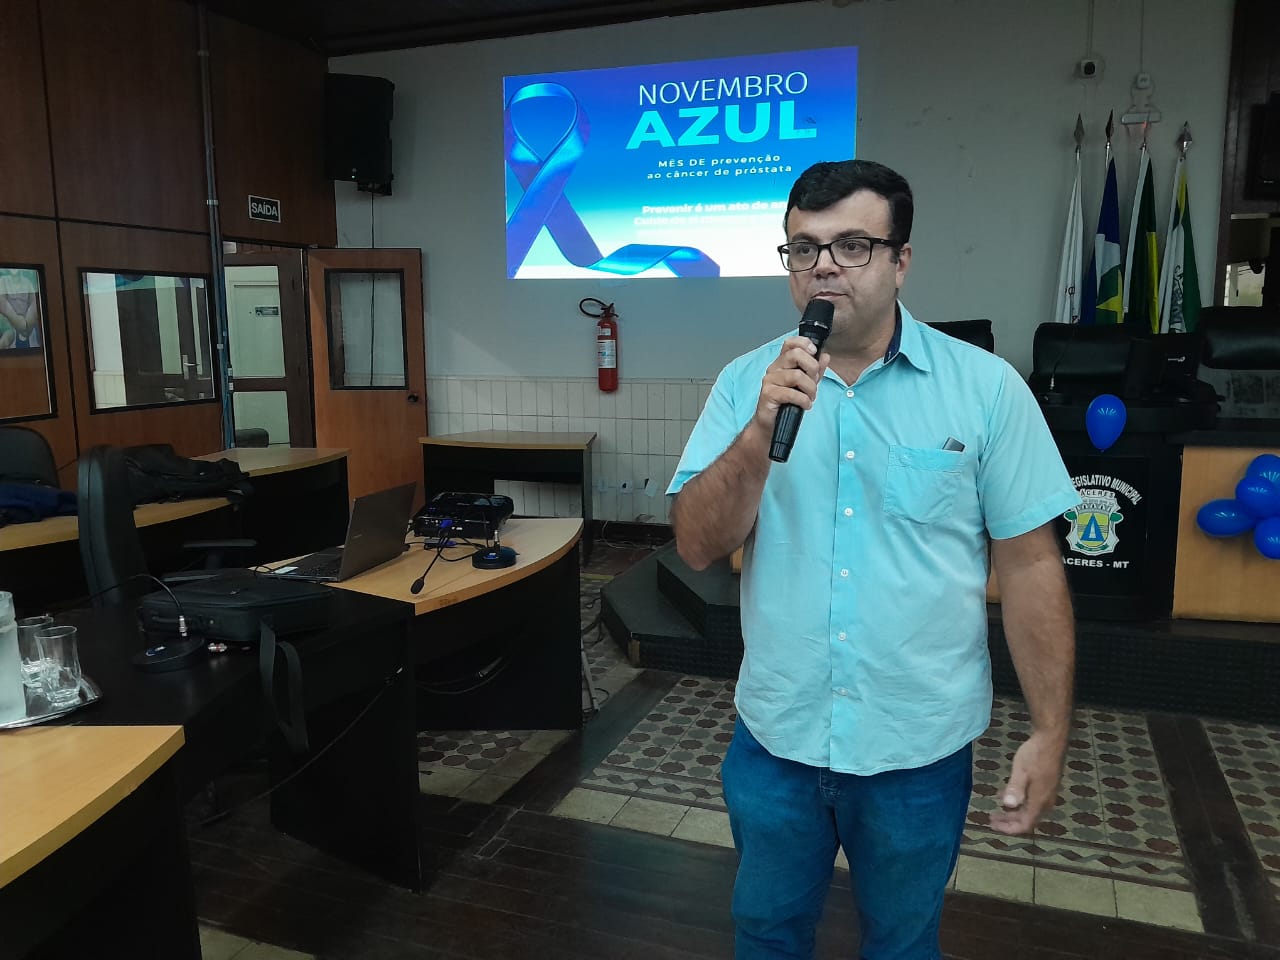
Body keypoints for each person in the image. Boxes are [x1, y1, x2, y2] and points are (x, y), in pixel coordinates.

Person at [667, 159, 1078, 960]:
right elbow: (696, 544)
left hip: (916, 750)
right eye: (804, 248)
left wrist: (1050, 731)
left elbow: (1032, 569)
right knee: (766, 934)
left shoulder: (987, 389)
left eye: (852, 245)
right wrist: (758, 433)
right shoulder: (746, 384)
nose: (824, 266)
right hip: (778, 740)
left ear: (901, 261)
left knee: (902, 943)